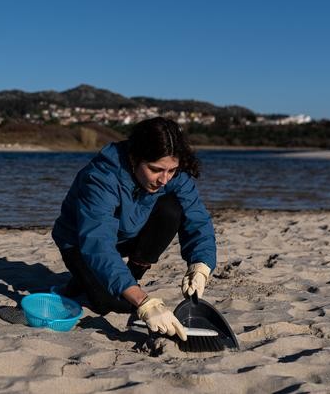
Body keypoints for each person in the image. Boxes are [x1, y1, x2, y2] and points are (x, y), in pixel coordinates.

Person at [51, 117, 216, 341]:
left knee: (171, 210)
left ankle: (128, 278)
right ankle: (85, 281)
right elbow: (97, 243)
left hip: (129, 234)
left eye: (172, 171)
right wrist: (143, 302)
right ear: (134, 157)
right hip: (80, 242)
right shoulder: (101, 178)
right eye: (155, 170)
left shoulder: (171, 173)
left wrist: (201, 266)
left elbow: (197, 219)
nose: (164, 180)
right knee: (107, 305)